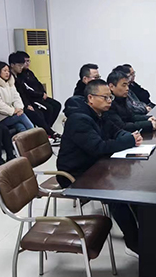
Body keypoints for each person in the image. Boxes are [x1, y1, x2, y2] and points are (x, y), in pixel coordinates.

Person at [57, 79, 143, 256]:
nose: (109, 101)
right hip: (75, 173)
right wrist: (128, 140)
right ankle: (133, 243)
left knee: (131, 184)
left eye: (110, 97)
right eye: (105, 97)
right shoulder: (79, 120)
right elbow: (99, 148)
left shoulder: (100, 114)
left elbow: (116, 132)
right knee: (115, 194)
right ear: (91, 98)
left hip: (94, 165)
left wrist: (130, 136)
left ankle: (145, 230)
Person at [9, 52, 62, 145]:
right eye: (20, 65)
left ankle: (48, 131)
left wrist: (43, 93)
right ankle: (48, 133)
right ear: (12, 65)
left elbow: (37, 84)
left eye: (24, 63)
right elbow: (23, 93)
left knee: (56, 105)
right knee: (42, 111)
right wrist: (27, 104)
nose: (22, 66)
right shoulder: (15, 78)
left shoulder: (27, 73)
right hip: (26, 102)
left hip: (29, 100)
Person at [0, 61, 35, 134]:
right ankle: (35, 135)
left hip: (12, 115)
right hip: (1, 117)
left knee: (21, 127)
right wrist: (13, 111)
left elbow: (16, 97)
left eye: (8, 71)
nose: (7, 73)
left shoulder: (9, 83)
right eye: (4, 71)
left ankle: (28, 141)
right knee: (22, 117)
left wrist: (19, 108)